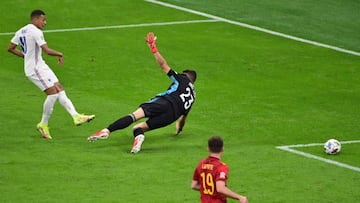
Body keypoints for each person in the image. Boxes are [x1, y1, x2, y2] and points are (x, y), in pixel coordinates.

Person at [87, 32, 197, 154]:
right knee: (138, 128)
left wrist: (153, 47)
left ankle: (107, 131)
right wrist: (179, 129)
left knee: (134, 116)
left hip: (164, 102)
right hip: (171, 117)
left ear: (185, 75)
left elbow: (163, 65)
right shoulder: (193, 95)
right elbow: (183, 119)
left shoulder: (182, 78)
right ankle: (139, 138)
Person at [7, 9, 95, 139]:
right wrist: (60, 54)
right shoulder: (36, 32)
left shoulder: (20, 31)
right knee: (53, 93)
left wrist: (25, 57)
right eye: (43, 20)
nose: (45, 22)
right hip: (35, 69)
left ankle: (76, 116)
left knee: (59, 87)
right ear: (35, 19)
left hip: (40, 66)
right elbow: (47, 51)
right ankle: (43, 124)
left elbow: (10, 48)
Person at [192, 136, 248, 203]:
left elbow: (194, 185)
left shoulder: (201, 164)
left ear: (208, 149)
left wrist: (208, 189)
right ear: (222, 149)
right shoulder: (221, 167)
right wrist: (239, 197)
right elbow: (220, 188)